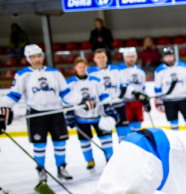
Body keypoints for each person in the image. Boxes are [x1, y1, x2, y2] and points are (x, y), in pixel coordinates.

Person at [0, 44, 73, 183]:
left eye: (39, 56)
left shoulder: (55, 73)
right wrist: (3, 106)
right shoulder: (23, 74)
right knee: (39, 145)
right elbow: (14, 95)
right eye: (33, 57)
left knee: (60, 142)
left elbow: (66, 94)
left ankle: (61, 168)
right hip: (36, 114)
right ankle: (41, 170)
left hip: (56, 112)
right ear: (28, 59)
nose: (37, 59)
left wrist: (82, 100)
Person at [65, 56, 116, 169]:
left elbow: (104, 94)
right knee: (84, 141)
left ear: (87, 67)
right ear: (75, 68)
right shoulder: (69, 82)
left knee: (106, 139)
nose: (82, 69)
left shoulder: (95, 80)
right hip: (81, 117)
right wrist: (69, 112)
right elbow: (66, 98)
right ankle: (89, 160)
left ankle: (110, 158)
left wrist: (107, 105)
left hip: (97, 115)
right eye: (80, 67)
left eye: (84, 67)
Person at [154, 46, 186, 136]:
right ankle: (176, 143)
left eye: (170, 55)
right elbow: (157, 87)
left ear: (173, 56)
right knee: (173, 123)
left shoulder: (183, 66)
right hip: (168, 101)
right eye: (166, 56)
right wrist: (159, 100)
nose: (169, 58)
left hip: (183, 98)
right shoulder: (159, 70)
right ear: (163, 57)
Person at [89, 47, 129, 141]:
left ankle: (125, 155)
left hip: (118, 105)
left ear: (106, 58)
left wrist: (120, 95)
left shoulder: (116, 69)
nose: (101, 59)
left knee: (124, 136)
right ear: (94, 59)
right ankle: (111, 156)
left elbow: (124, 84)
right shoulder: (90, 72)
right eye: (98, 57)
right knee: (107, 138)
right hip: (103, 108)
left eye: (103, 57)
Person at [118, 47, 148, 132]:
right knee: (126, 129)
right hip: (125, 103)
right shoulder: (119, 69)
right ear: (124, 57)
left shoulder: (140, 71)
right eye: (128, 56)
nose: (131, 59)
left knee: (137, 127)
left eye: (133, 56)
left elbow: (143, 87)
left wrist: (145, 99)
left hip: (137, 102)